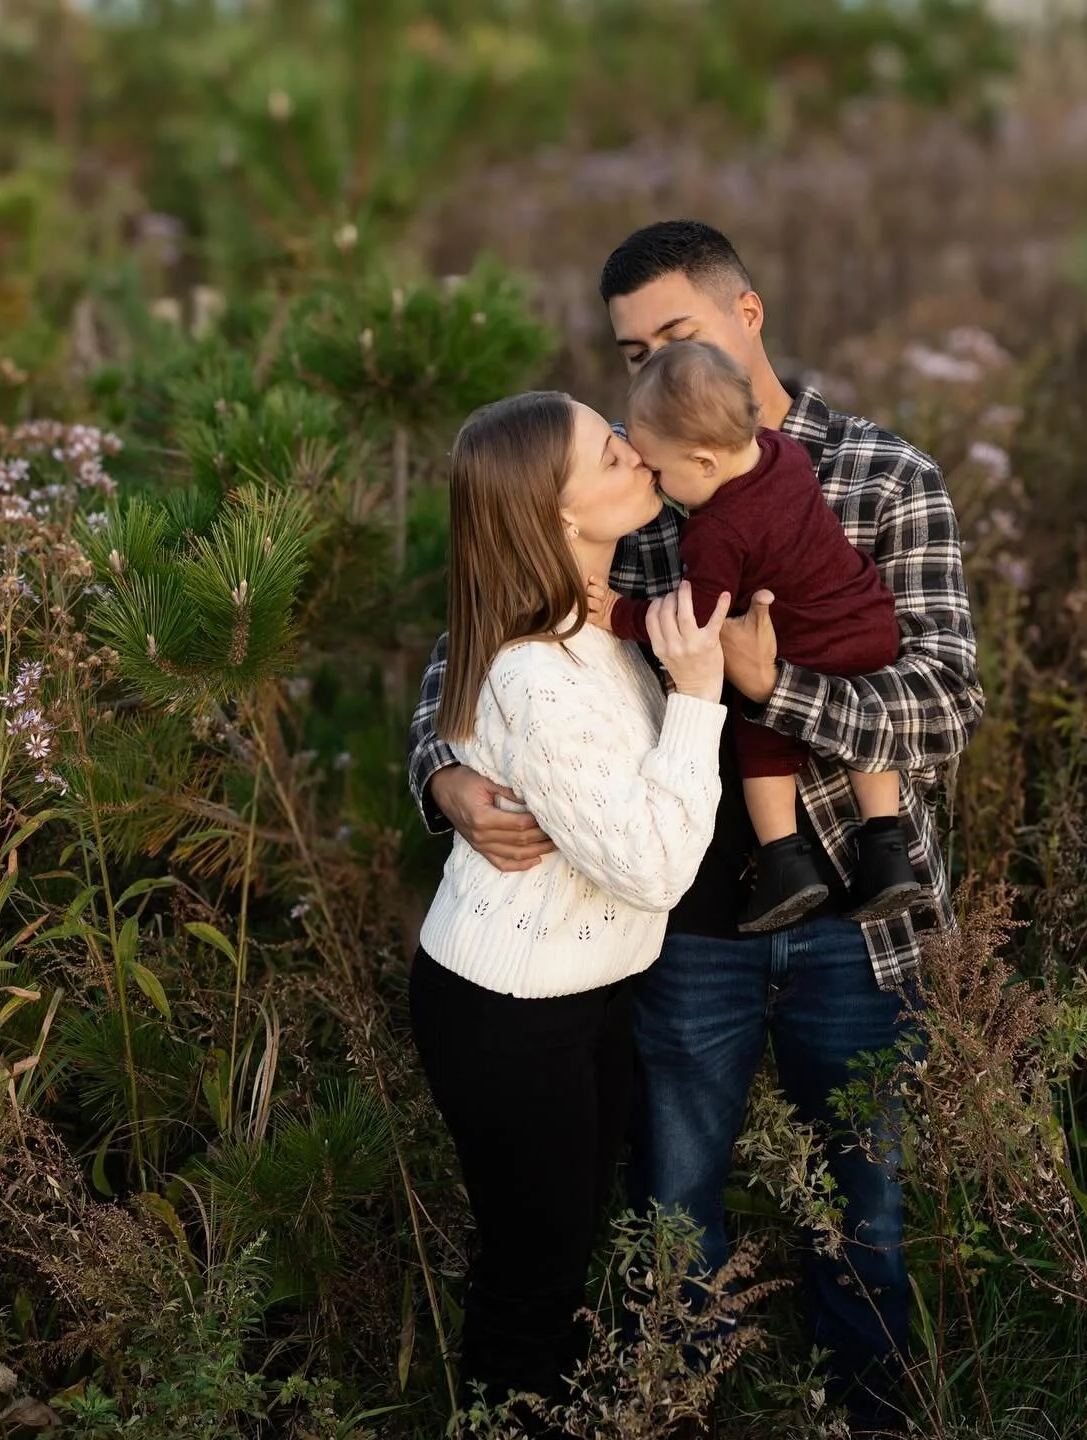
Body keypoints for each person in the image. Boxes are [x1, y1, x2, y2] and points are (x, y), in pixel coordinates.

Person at [408, 222, 984, 1434]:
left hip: (851, 917)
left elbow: (942, 708)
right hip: (677, 929)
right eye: (631, 351)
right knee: (669, 1211)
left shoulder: (881, 476)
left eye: (678, 333)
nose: (653, 368)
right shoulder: (645, 486)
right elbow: (491, 637)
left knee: (867, 1212)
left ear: (748, 315)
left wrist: (771, 691)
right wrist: (445, 777)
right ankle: (679, 1408)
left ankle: (869, 1415)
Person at [405, 389, 728, 1431]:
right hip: (510, 1012)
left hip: (583, 995)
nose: (636, 453)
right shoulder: (536, 672)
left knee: (563, 1240)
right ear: (556, 517)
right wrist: (698, 696)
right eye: (608, 453)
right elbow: (655, 870)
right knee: (532, 1273)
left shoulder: (587, 624)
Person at [586, 338, 920, 935]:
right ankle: (887, 847)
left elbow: (697, 621)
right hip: (868, 622)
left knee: (759, 733)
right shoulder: (782, 451)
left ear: (706, 463)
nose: (656, 485)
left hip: (803, 641)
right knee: (869, 732)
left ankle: (784, 863)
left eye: (660, 472)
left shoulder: (715, 533)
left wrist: (617, 614)